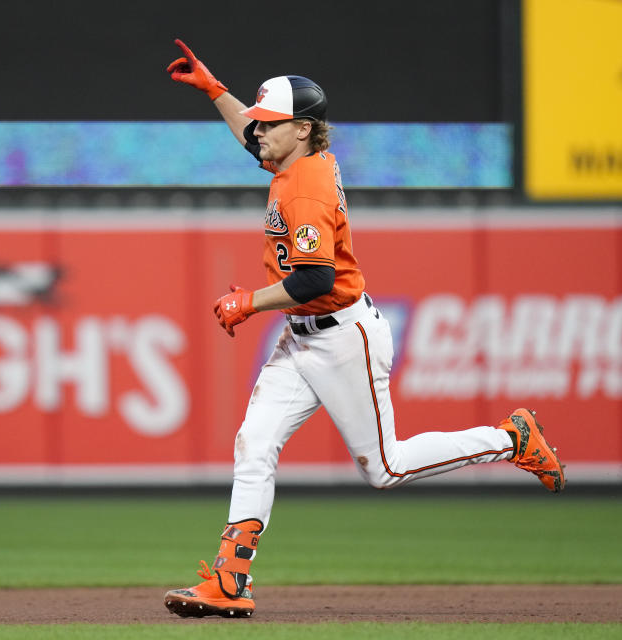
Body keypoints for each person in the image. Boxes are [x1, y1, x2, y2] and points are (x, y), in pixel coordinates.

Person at [162, 38, 565, 619]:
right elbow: (251, 133)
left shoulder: (305, 187)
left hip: (341, 335)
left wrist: (248, 303)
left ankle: (511, 439)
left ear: (301, 129)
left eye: (269, 125)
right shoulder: (294, 155)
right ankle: (231, 579)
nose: (257, 134)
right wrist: (216, 90)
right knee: (254, 446)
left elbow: (312, 279)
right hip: (301, 338)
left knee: (385, 468)